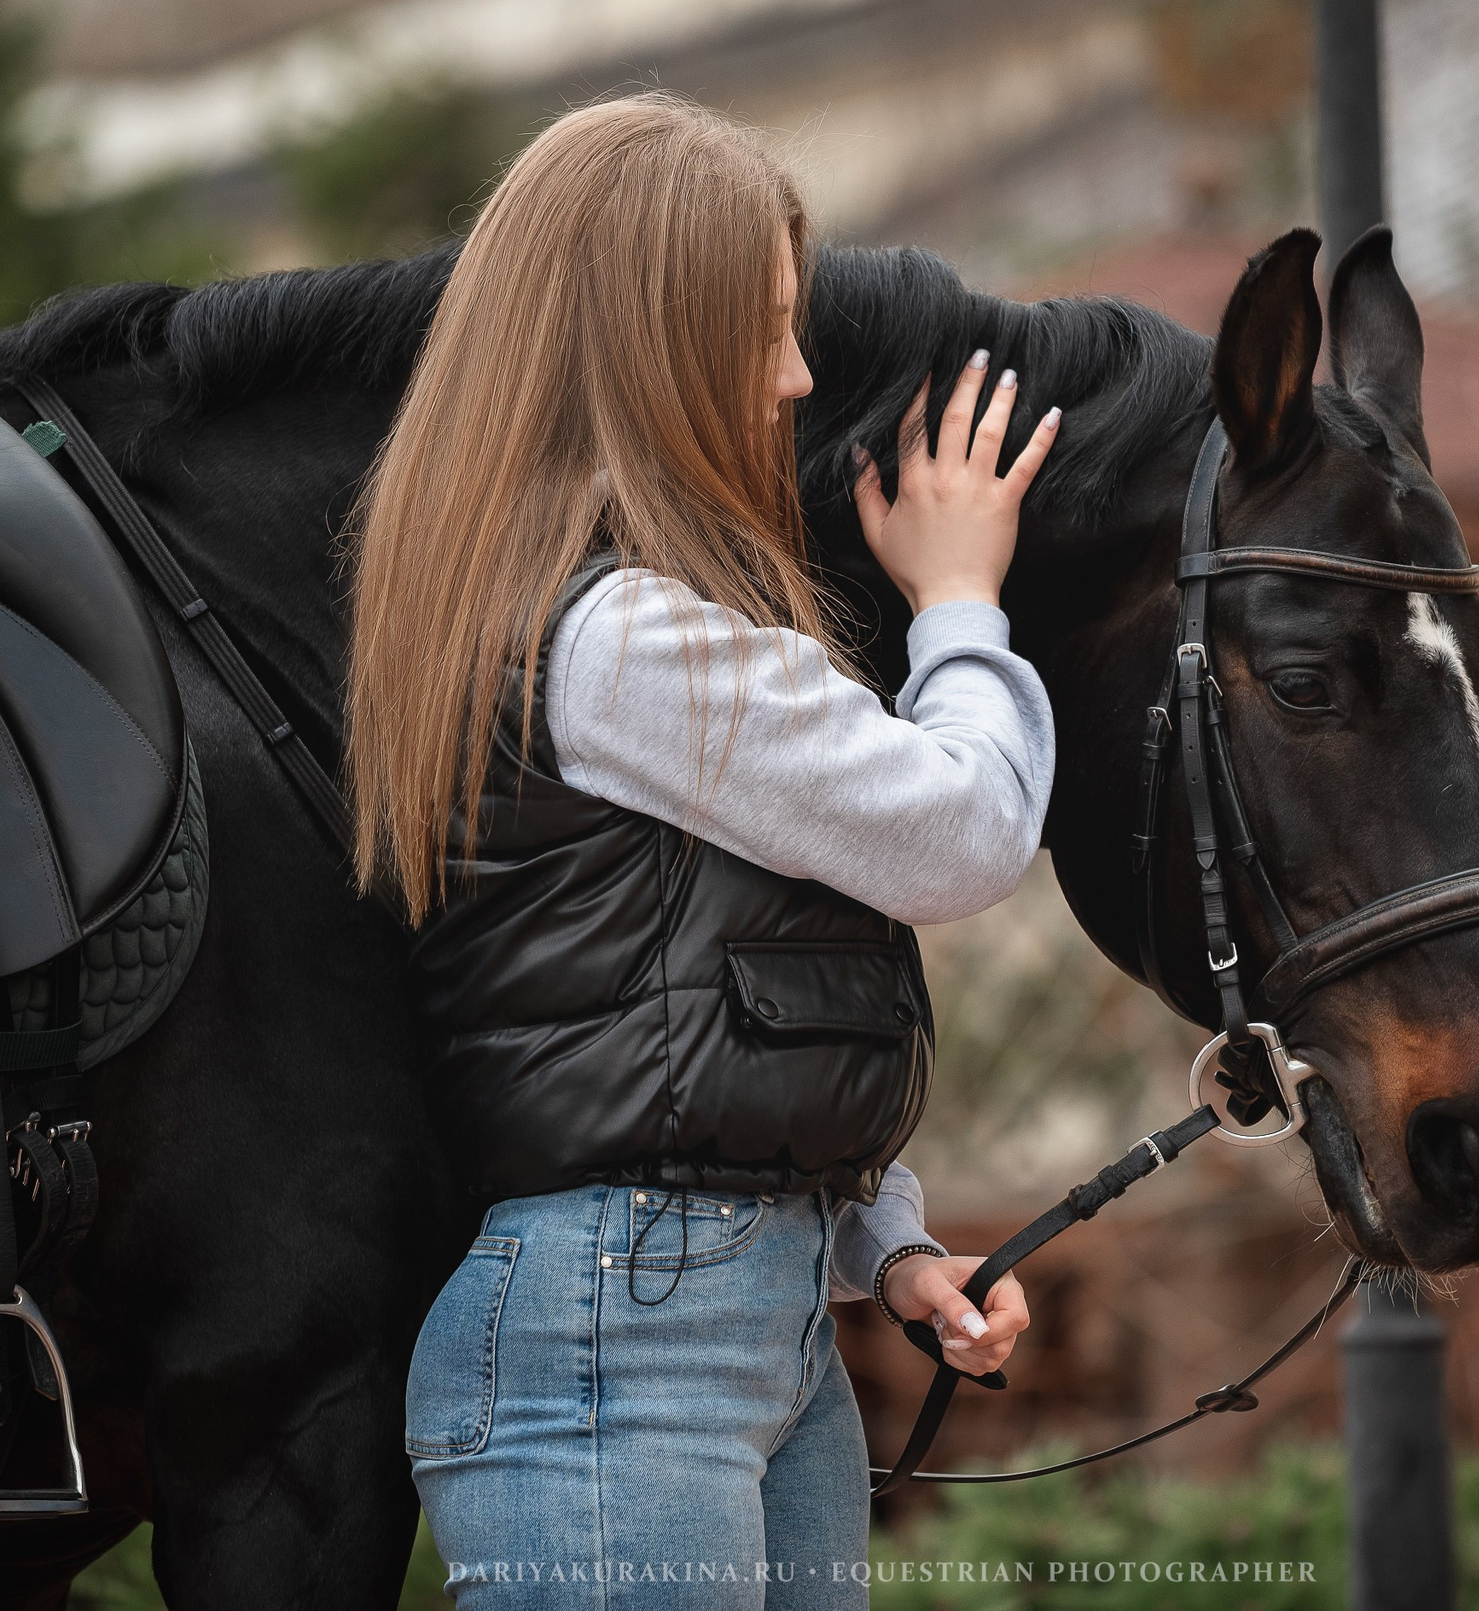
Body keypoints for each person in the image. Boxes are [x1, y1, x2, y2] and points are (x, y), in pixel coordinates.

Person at [345, 93, 1059, 1608]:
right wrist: (959, 602)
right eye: (768, 328)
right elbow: (964, 833)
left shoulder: (603, 624)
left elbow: (703, 996)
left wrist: (886, 1244)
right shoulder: (618, 636)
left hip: (723, 1316)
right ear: (651, 339)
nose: (801, 376)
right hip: (629, 1330)